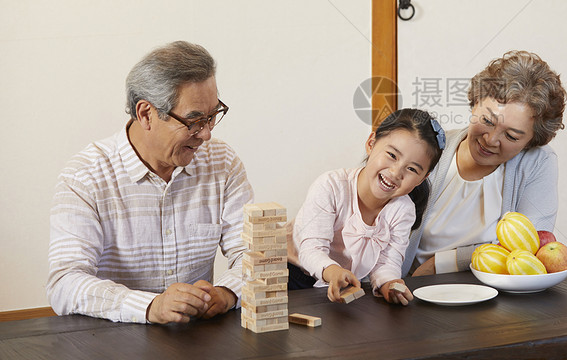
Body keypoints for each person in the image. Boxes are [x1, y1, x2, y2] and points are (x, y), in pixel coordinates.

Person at [47, 41, 253, 324]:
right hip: (112, 344)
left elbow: (253, 253)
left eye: (213, 116)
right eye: (194, 121)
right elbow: (64, 283)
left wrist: (227, 293)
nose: (206, 134)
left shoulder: (222, 162)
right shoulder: (85, 176)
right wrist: (150, 306)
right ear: (146, 114)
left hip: (198, 343)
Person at [402, 50, 567, 276]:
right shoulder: (431, 148)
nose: (490, 140)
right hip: (414, 289)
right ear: (476, 102)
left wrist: (444, 262)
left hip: (494, 296)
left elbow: (531, 247)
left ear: (531, 141)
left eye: (511, 136)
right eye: (487, 121)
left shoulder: (538, 162)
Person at [288, 108, 445, 305]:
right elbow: (311, 250)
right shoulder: (331, 186)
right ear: (371, 143)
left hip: (344, 286)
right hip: (292, 276)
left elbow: (387, 263)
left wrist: (389, 283)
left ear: (423, 178)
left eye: (412, 169)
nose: (396, 172)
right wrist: (333, 271)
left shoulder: (403, 210)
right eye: (392, 155)